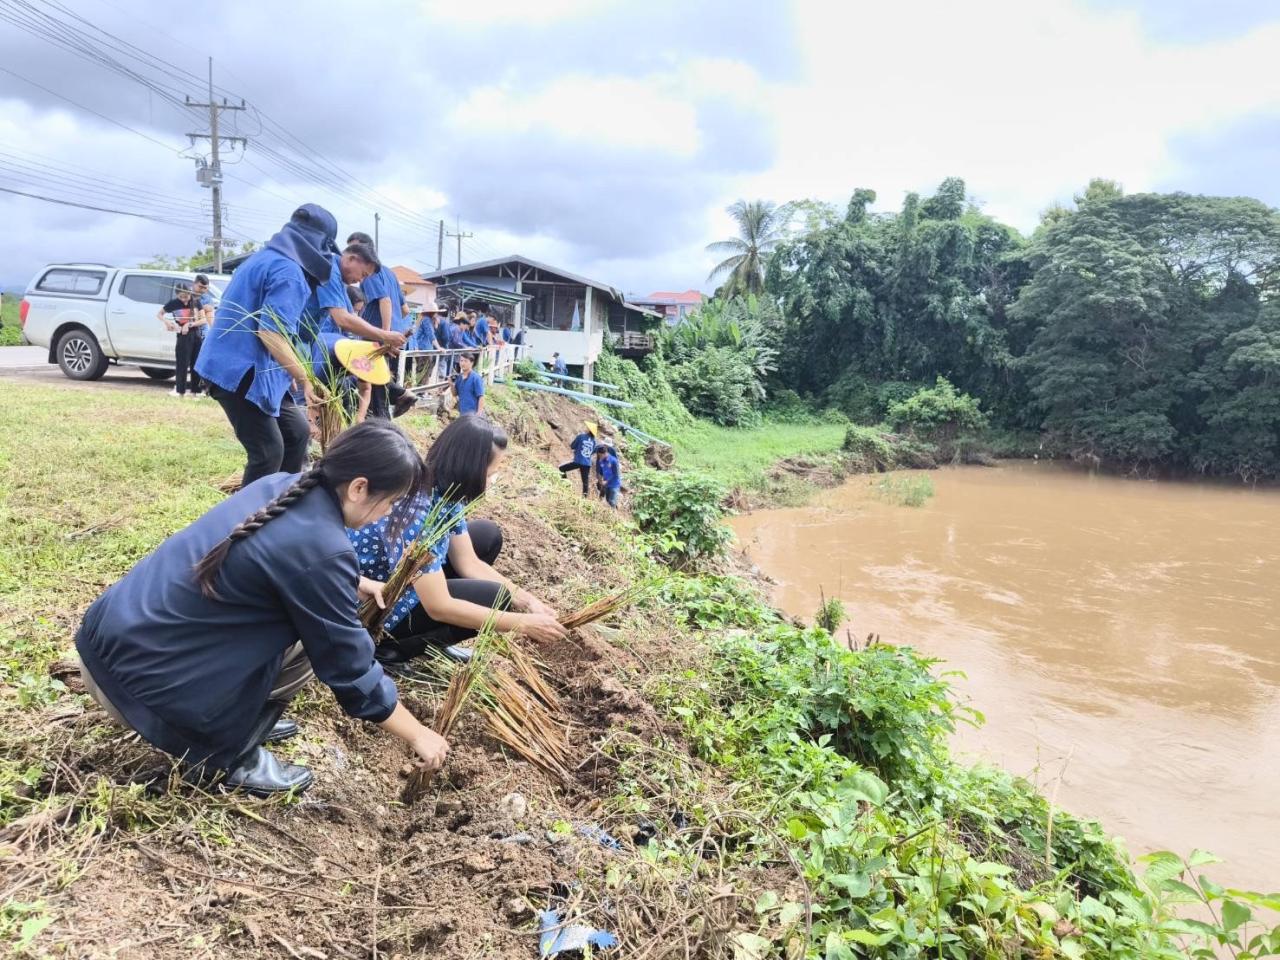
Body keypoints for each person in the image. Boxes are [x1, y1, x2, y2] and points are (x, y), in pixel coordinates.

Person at [74, 420, 450, 796]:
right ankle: (233, 754)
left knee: (309, 620)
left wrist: (354, 582)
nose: (386, 513)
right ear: (358, 487)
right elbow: (348, 666)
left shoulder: (281, 485)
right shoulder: (323, 548)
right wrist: (417, 733)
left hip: (106, 648)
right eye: (389, 503)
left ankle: (245, 718)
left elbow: (275, 559)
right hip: (140, 688)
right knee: (312, 642)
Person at [350, 416, 565, 671]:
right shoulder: (417, 510)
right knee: (495, 597)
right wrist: (521, 623)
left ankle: (432, 639)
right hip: (377, 602)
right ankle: (389, 647)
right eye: (491, 472)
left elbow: (468, 562)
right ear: (472, 468)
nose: (493, 478)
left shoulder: (446, 493)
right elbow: (439, 605)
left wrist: (528, 601)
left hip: (409, 580)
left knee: (486, 536)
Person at [347, 232, 406, 420]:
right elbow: (404, 308)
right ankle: (400, 396)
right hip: (392, 331)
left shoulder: (370, 275)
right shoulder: (389, 273)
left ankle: (382, 420)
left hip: (377, 333)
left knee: (373, 379)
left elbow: (386, 301)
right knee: (378, 375)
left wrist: (384, 335)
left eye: (354, 248)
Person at [157, 284, 200, 398]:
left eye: (186, 296)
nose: (184, 300)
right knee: (182, 363)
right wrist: (168, 322)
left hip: (196, 334)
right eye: (181, 297)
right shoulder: (174, 303)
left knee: (195, 364)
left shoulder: (195, 302)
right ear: (177, 295)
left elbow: (204, 320)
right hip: (182, 335)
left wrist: (190, 324)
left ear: (190, 293)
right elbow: (159, 314)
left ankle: (196, 392)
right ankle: (180, 391)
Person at [189, 274, 216, 395]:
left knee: (201, 361)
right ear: (194, 284)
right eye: (200, 287)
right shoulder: (185, 295)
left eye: (205, 288)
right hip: (188, 333)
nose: (203, 290)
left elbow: (209, 317)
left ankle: (204, 389)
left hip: (203, 334)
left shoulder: (207, 298)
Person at [557, 421, 597, 496]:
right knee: (585, 481)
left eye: (587, 427)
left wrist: (578, 449)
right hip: (587, 463)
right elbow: (593, 451)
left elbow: (572, 446)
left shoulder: (581, 436)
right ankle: (585, 497)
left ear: (589, 430)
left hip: (578, 461)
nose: (586, 428)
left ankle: (565, 485)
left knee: (561, 469)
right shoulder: (594, 441)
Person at [595, 443, 622, 508]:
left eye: (600, 456)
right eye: (599, 456)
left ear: (605, 453)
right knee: (607, 500)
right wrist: (600, 479)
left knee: (612, 502)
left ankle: (614, 516)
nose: (600, 458)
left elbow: (616, 474)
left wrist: (606, 481)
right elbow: (601, 472)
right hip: (606, 484)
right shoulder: (601, 461)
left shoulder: (613, 461)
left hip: (614, 484)